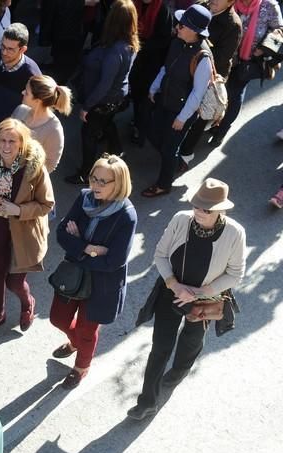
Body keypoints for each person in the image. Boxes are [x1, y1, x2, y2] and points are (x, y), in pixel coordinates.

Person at [128, 178, 246, 420]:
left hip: (204, 299)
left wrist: (198, 292)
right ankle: (147, 402)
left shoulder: (235, 233)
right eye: (197, 205)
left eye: (206, 209)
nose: (199, 212)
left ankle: (177, 374)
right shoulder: (181, 219)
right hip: (171, 292)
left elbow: (235, 274)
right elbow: (160, 255)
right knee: (160, 347)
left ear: (220, 210)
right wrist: (174, 285)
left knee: (190, 343)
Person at [49, 154, 137, 389]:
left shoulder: (126, 215)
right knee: (58, 318)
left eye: (103, 182)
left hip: (102, 285)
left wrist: (77, 244)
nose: (95, 185)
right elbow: (60, 233)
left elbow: (115, 261)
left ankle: (81, 366)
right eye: (93, 178)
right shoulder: (84, 197)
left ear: (118, 184)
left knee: (88, 330)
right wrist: (90, 249)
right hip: (74, 276)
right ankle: (76, 341)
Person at [0, 118, 54, 337]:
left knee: (14, 282)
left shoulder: (34, 167)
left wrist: (17, 210)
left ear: (22, 144)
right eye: (3, 141)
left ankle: (27, 302)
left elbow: (46, 204)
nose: (6, 146)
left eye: (12, 141)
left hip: (24, 231)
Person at [142, 5, 214, 198]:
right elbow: (166, 68)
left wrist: (182, 118)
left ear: (193, 30)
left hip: (181, 111)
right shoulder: (177, 43)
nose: (177, 27)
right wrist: (154, 87)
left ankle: (164, 184)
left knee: (168, 148)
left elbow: (198, 93)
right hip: (164, 101)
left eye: (182, 25)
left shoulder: (203, 58)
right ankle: (174, 160)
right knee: (154, 134)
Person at [64, 0, 139, 186]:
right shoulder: (130, 43)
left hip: (103, 100)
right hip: (117, 97)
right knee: (106, 123)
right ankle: (117, 149)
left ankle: (85, 173)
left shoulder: (115, 52)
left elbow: (104, 84)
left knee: (88, 134)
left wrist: (87, 107)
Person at [205, 0, 282, 147]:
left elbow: (280, 29)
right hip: (227, 56)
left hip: (249, 61)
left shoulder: (269, 5)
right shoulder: (232, 2)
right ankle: (214, 121)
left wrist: (264, 48)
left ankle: (222, 129)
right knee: (221, 91)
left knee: (234, 94)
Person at [177, 0, 242, 168]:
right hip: (187, 65)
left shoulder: (233, 25)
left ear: (230, 2)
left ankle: (186, 154)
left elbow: (221, 57)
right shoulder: (201, 6)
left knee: (198, 116)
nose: (213, 0)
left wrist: (195, 43)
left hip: (211, 74)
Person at [128, 0, 173, 146]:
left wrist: (141, 46)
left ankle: (141, 131)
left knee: (146, 100)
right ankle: (137, 121)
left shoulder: (163, 10)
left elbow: (164, 40)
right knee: (136, 94)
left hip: (152, 64)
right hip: (136, 60)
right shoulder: (134, 4)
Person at [11, 74, 72, 173]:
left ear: (38, 101)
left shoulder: (54, 129)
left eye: (26, 93)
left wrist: (26, 175)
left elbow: (50, 164)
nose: (22, 92)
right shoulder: (20, 110)